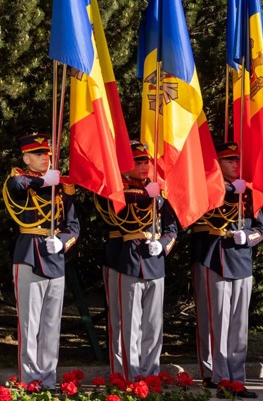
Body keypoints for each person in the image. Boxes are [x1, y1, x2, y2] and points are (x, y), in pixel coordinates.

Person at [190, 141, 263, 398]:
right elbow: (204, 201)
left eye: (238, 160)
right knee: (217, 323)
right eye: (229, 160)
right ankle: (219, 376)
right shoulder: (209, 187)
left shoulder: (248, 192)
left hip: (241, 260)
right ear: (218, 164)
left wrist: (248, 237)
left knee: (238, 326)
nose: (236, 164)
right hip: (215, 256)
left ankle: (237, 379)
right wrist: (230, 189)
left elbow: (261, 229)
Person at [96, 142, 177, 380]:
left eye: (146, 161)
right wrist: (147, 195)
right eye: (138, 162)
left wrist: (162, 245)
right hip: (125, 259)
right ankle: (126, 377)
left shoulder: (157, 191)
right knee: (125, 325)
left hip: (154, 262)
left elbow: (171, 228)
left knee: (153, 326)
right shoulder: (117, 189)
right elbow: (115, 205)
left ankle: (150, 376)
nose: (144, 166)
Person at [6, 133, 79, 386]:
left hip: (55, 257)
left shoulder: (61, 185)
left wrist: (62, 241)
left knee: (51, 325)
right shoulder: (20, 179)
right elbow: (15, 186)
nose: (44, 158)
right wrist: (43, 182)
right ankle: (30, 381)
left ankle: (48, 381)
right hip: (29, 254)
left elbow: (73, 226)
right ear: (26, 158)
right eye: (38, 154)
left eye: (46, 154)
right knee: (29, 324)